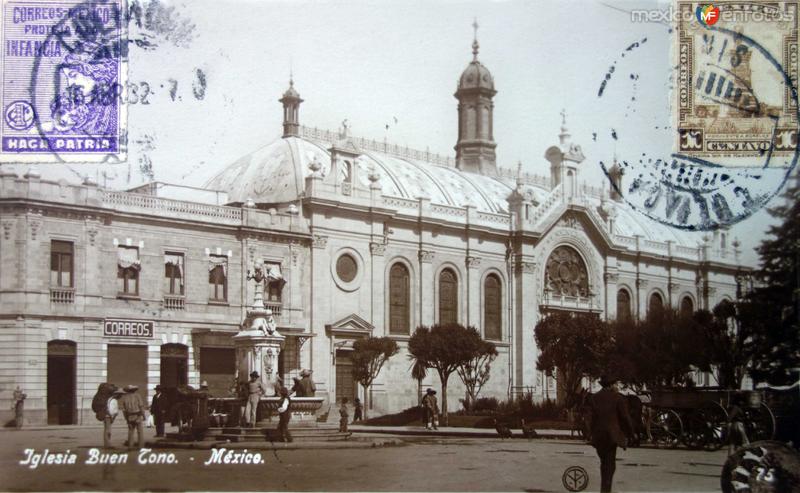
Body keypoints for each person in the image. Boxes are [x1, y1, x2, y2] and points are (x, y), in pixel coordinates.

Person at [590, 376, 634, 493]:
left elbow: (591, 419)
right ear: (610, 385)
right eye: (616, 384)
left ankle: (604, 489)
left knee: (604, 464)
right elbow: (625, 417)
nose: (617, 387)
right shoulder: (617, 398)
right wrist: (631, 433)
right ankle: (605, 491)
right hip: (611, 437)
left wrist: (591, 434)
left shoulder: (594, 398)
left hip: (598, 437)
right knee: (610, 466)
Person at [119, 384, 147, 450]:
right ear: (134, 390)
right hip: (137, 415)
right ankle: (141, 446)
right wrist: (144, 416)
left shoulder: (125, 397)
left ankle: (130, 446)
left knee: (130, 431)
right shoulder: (137, 396)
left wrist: (126, 418)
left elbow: (124, 410)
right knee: (140, 431)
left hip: (129, 416)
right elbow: (141, 406)